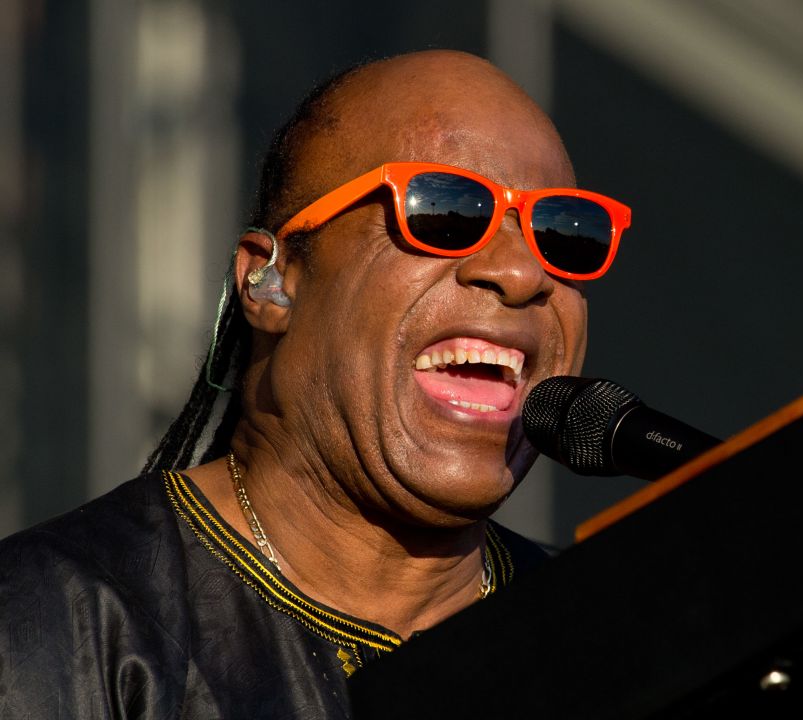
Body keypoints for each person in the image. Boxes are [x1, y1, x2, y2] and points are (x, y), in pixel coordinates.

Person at [0, 50, 630, 717]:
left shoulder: (613, 634)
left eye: (567, 232)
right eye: (445, 212)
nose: (522, 273)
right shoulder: (55, 625)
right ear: (269, 283)